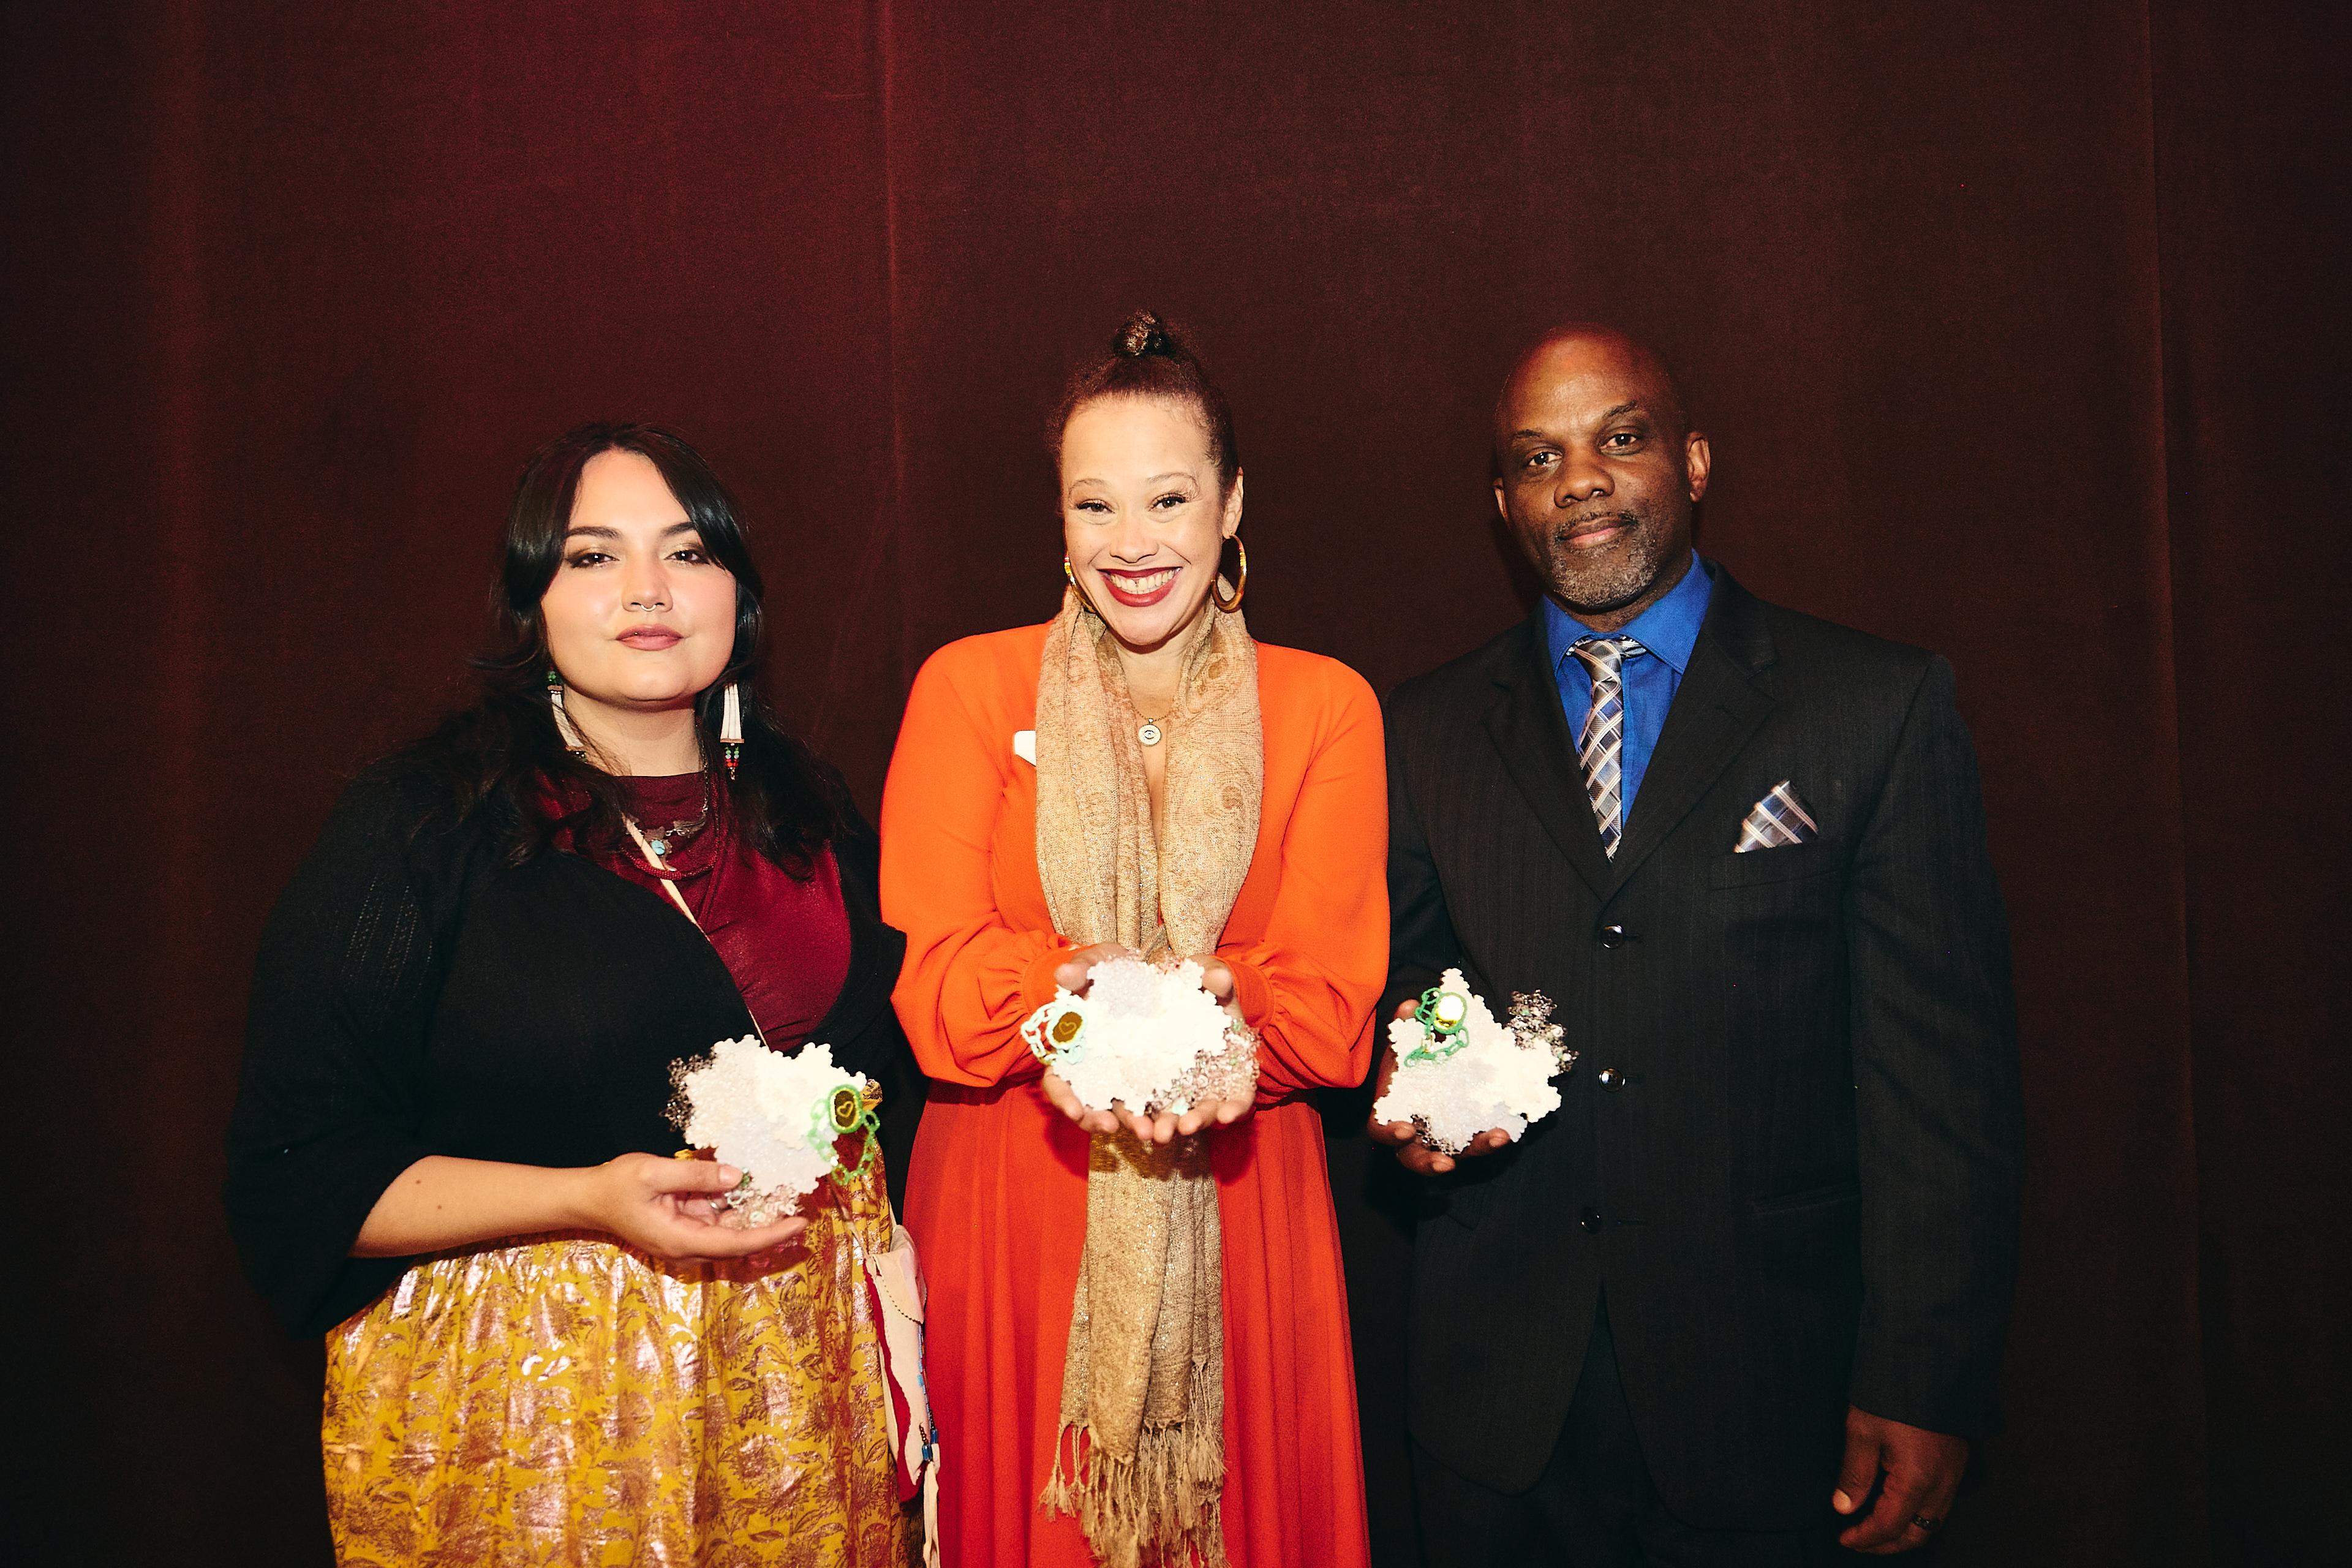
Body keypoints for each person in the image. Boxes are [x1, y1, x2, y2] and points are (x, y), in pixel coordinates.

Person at [1371, 326, 2022, 1564]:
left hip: (1774, 1396)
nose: (1581, 479)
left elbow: (1944, 1087)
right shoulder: (1424, 729)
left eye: (1621, 437)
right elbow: (1416, 987)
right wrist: (1429, 1090)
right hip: (1502, 1413)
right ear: (1504, 504)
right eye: (1537, 455)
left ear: (1696, 459)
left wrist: (1930, 1374)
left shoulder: (1873, 708)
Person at [224, 423, 923, 1566]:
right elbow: (297, 1178)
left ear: (740, 597)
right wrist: (585, 1199)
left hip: (804, 1410)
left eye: (690, 553)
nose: (648, 589)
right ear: (531, 604)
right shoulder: (423, 824)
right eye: (593, 557)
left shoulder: (810, 809)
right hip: (537, 1419)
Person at [882, 312, 1385, 1567]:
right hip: (1014, 1207)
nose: (1131, 542)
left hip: (1246, 1218)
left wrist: (1206, 1023)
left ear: (1230, 502)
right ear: (1058, 521)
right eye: (1094, 505)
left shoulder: (1326, 704)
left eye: (1168, 497)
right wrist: (1087, 995)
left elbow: (1329, 1014)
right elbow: (937, 991)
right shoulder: (967, 686)